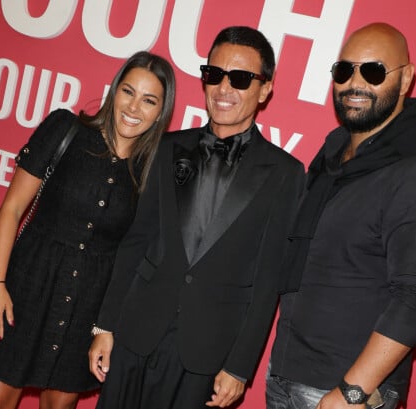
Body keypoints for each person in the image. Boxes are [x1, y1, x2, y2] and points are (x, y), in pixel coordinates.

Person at [88, 26, 305, 409]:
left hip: (206, 353)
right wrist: (105, 325)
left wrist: (240, 367)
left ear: (265, 89)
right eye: (214, 74)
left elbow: (268, 279)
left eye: (240, 79)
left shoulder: (285, 173)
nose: (224, 88)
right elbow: (136, 241)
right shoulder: (167, 147)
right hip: (136, 331)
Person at [266, 23, 416, 409]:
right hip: (289, 374)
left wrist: (352, 391)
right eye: (344, 71)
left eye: (372, 71)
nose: (354, 83)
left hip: (346, 392)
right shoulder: (335, 150)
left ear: (405, 78)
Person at [0, 51, 176, 409]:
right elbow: (12, 209)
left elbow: (131, 255)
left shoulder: (151, 172)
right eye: (128, 92)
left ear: (161, 111)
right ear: (114, 91)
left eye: (149, 100)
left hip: (86, 308)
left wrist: (104, 328)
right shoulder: (65, 129)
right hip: (26, 289)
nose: (134, 107)